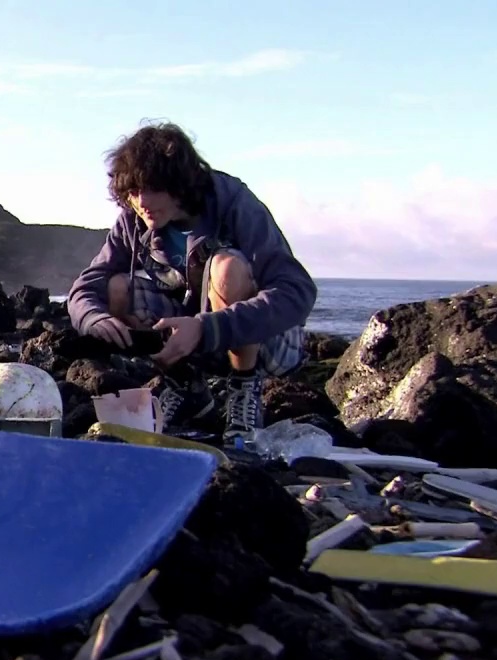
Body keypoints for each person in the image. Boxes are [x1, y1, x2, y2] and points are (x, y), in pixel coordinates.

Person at [66, 121, 317, 447]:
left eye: (151, 188)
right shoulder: (135, 218)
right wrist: (93, 317)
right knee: (116, 287)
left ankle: (243, 391)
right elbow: (87, 285)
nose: (141, 201)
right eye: (133, 192)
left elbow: (298, 292)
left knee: (227, 267)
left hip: (267, 343)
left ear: (179, 183)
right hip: (196, 342)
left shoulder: (234, 204)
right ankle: (187, 386)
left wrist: (205, 328)